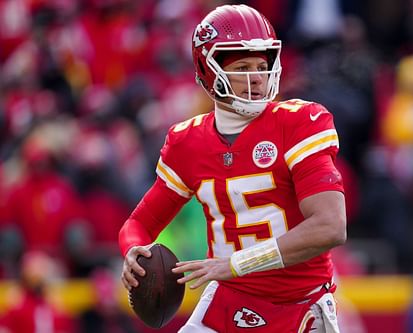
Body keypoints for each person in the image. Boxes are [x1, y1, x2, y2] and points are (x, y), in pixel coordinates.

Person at [119, 4, 347, 333]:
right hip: (230, 298)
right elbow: (139, 223)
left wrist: (236, 264)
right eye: (242, 66)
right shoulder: (188, 142)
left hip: (300, 305)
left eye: (261, 65)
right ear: (208, 70)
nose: (256, 77)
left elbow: (330, 226)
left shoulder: (299, 122)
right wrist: (133, 252)